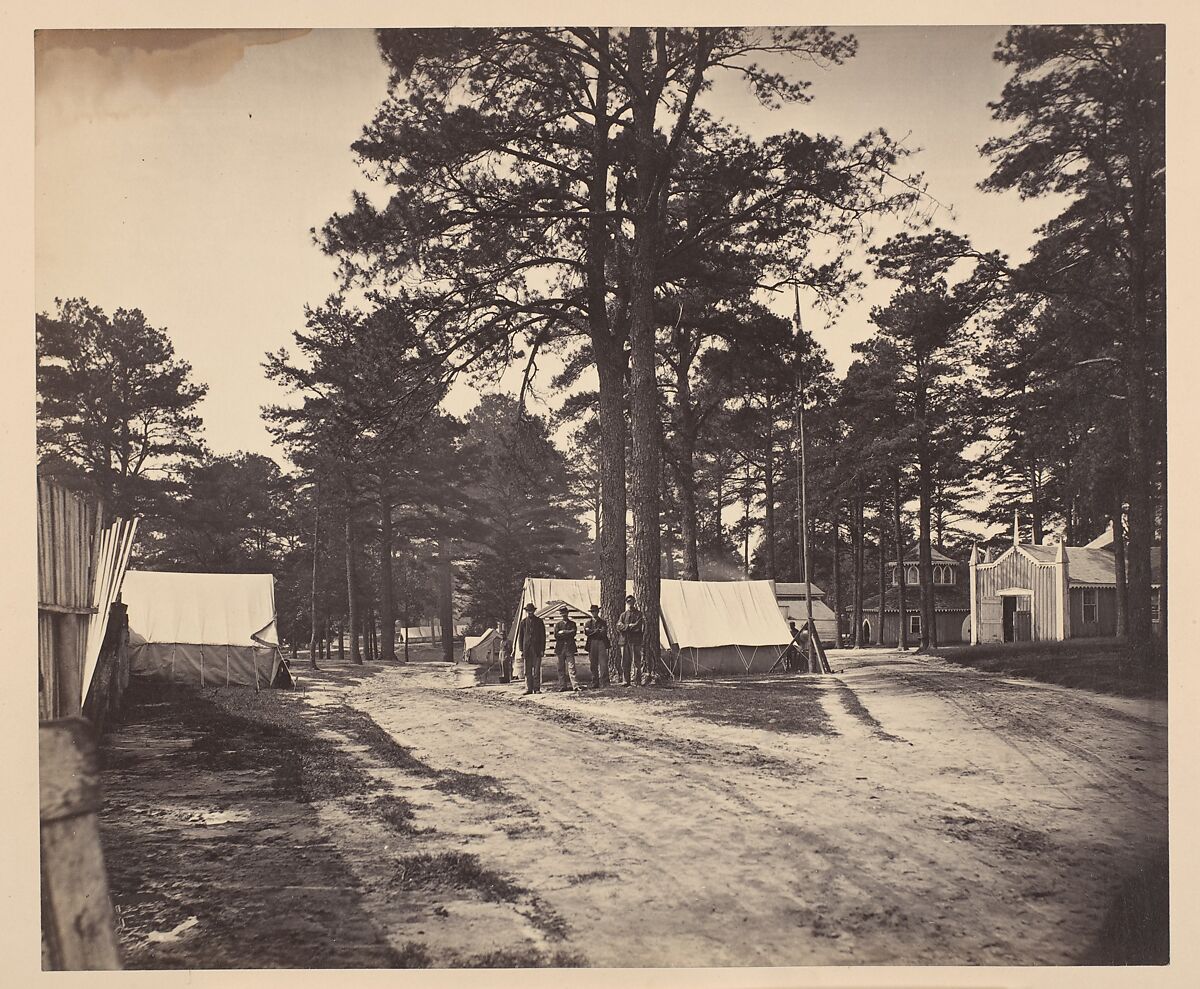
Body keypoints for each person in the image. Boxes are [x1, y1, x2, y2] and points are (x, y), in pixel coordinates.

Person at [516, 603, 545, 695]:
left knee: (536, 670)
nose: (530, 612)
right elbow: (520, 637)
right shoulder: (523, 622)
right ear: (526, 611)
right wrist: (521, 649)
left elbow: (543, 637)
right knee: (527, 670)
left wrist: (542, 649)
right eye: (528, 611)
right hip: (527, 649)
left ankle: (537, 688)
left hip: (536, 650)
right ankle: (529, 688)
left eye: (531, 611)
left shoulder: (539, 621)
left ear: (534, 611)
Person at [616, 594, 645, 686]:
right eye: (628, 602)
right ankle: (626, 681)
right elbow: (618, 626)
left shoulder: (639, 614)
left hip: (635, 641)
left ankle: (637, 681)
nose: (630, 604)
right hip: (624, 641)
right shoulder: (623, 615)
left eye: (632, 602)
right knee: (625, 661)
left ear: (634, 602)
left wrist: (625, 627)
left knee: (636, 661)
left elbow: (637, 626)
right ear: (626, 603)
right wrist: (628, 626)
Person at [553, 605, 582, 692]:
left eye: (565, 613)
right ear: (560, 614)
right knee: (561, 668)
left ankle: (575, 685)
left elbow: (573, 633)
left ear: (567, 613)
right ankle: (562, 686)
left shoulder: (572, 624)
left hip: (569, 648)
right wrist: (566, 634)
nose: (563, 615)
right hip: (560, 648)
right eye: (562, 613)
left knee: (571, 667)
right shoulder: (558, 625)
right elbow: (556, 635)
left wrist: (564, 632)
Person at [583, 603, 611, 689]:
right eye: (592, 612)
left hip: (601, 643)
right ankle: (595, 682)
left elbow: (603, 632)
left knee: (603, 663)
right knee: (593, 664)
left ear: (598, 612)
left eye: (595, 611)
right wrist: (596, 631)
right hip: (592, 643)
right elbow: (587, 633)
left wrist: (592, 632)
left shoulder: (603, 622)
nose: (594, 613)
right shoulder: (588, 623)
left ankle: (604, 682)